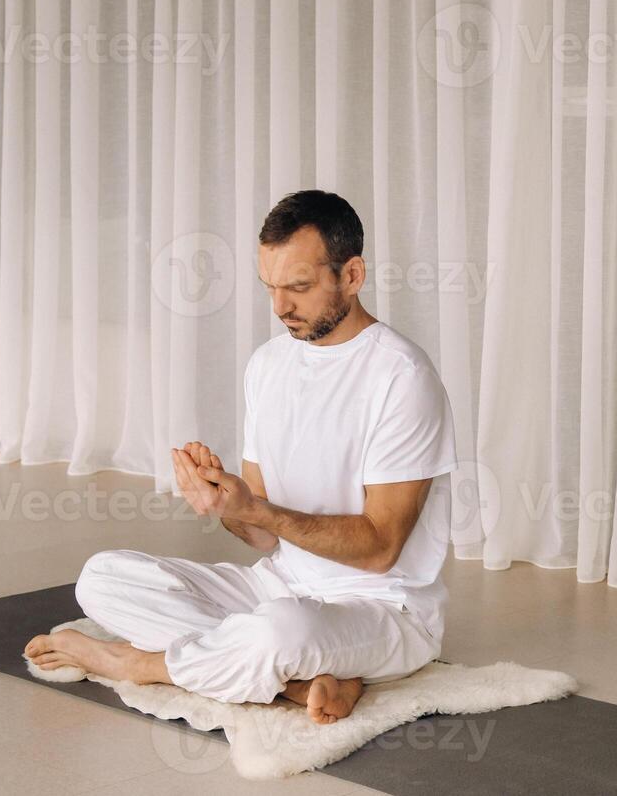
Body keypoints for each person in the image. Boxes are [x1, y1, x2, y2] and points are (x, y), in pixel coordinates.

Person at [24, 190, 456, 724]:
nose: (280, 307)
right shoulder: (268, 365)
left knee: (281, 632)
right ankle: (300, 684)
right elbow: (265, 537)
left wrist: (258, 511)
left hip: (383, 609)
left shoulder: (402, 377)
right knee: (102, 579)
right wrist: (227, 502)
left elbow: (380, 550)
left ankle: (141, 664)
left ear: (352, 275)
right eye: (270, 288)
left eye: (298, 287)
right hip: (278, 585)